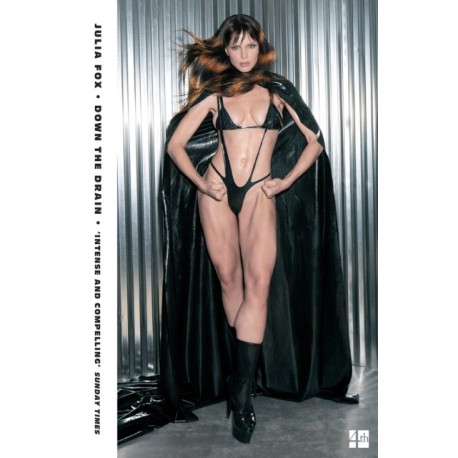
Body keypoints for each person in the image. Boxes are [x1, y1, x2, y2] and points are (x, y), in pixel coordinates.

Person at [161, 14, 357, 445]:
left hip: (257, 194)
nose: (243, 54)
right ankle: (243, 375)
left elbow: (315, 140)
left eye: (250, 45)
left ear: (260, 47)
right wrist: (201, 184)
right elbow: (176, 145)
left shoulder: (277, 90)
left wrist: (285, 182)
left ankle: (241, 392)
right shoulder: (215, 93)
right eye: (235, 47)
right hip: (217, 192)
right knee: (229, 280)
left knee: (259, 283)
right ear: (226, 51)